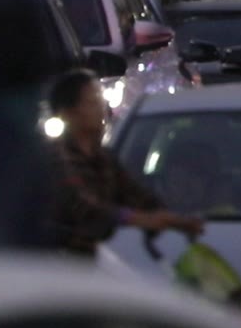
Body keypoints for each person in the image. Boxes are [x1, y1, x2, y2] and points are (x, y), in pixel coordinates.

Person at [47, 69, 204, 256]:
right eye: (92, 102)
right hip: (59, 262)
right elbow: (84, 208)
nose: (101, 109)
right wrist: (140, 219)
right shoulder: (56, 158)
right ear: (68, 113)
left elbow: (134, 195)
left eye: (100, 101)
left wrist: (173, 220)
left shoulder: (104, 158)